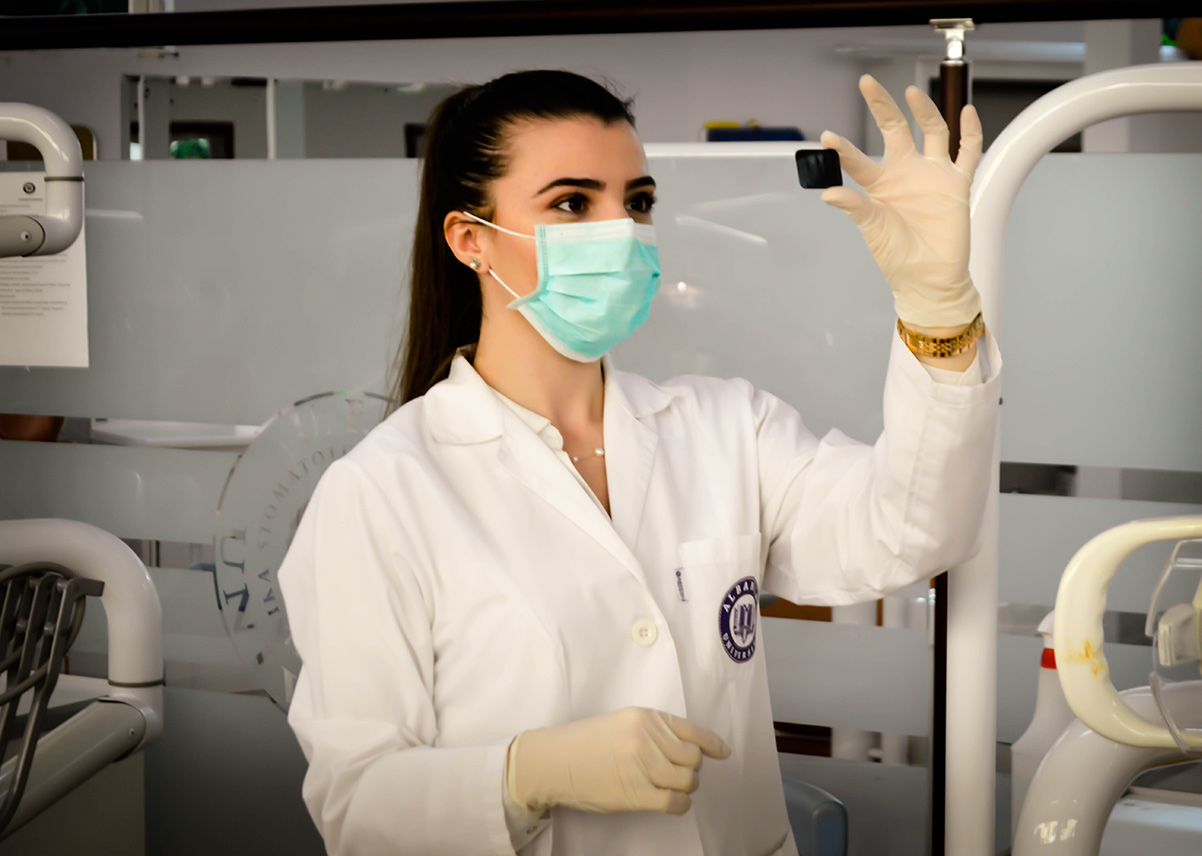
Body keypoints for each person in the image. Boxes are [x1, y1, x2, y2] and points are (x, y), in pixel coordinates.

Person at [278, 69, 1001, 856]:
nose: (620, 229)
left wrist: (938, 309)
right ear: (470, 239)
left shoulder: (725, 427)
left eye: (639, 201)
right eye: (571, 203)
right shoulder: (382, 493)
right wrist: (524, 775)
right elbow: (358, 808)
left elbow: (911, 530)